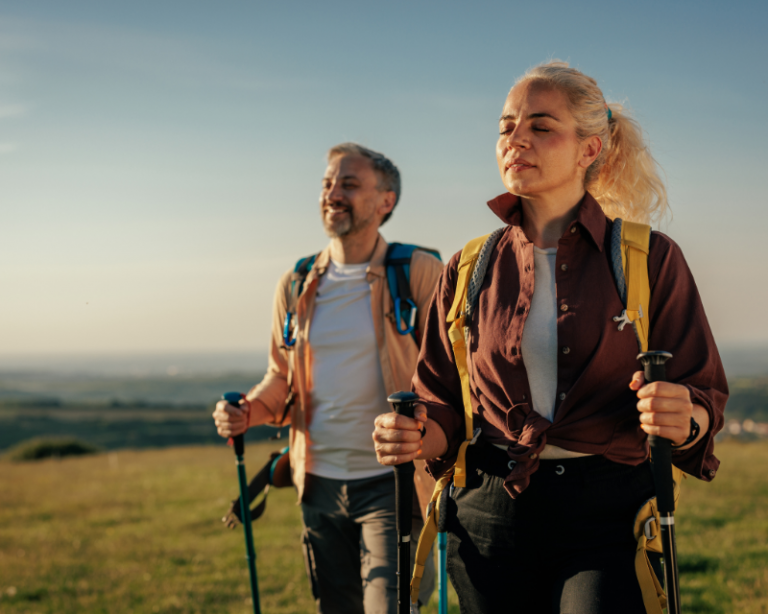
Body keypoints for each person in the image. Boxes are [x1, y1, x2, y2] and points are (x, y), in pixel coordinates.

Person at [373, 62, 728, 614]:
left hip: (609, 515)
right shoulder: (468, 266)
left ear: (590, 149)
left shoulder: (650, 258)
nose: (516, 139)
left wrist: (687, 418)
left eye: (541, 126)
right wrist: (416, 435)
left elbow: (701, 390)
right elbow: (441, 399)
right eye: (506, 125)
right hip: (488, 517)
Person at [213, 143, 442, 613]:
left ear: (386, 201)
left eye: (349, 184)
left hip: (393, 481)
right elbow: (282, 375)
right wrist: (249, 411)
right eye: (327, 184)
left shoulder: (418, 272)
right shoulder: (297, 282)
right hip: (316, 482)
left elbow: (450, 374)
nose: (333, 194)